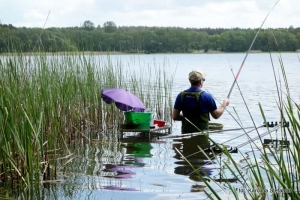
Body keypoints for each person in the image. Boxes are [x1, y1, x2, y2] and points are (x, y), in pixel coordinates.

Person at [172, 69, 230, 134]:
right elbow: (216, 115)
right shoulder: (207, 96)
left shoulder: (181, 96)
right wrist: (224, 103)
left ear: (190, 81)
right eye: (203, 79)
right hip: (202, 136)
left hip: (186, 134)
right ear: (200, 81)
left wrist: (188, 118)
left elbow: (175, 116)